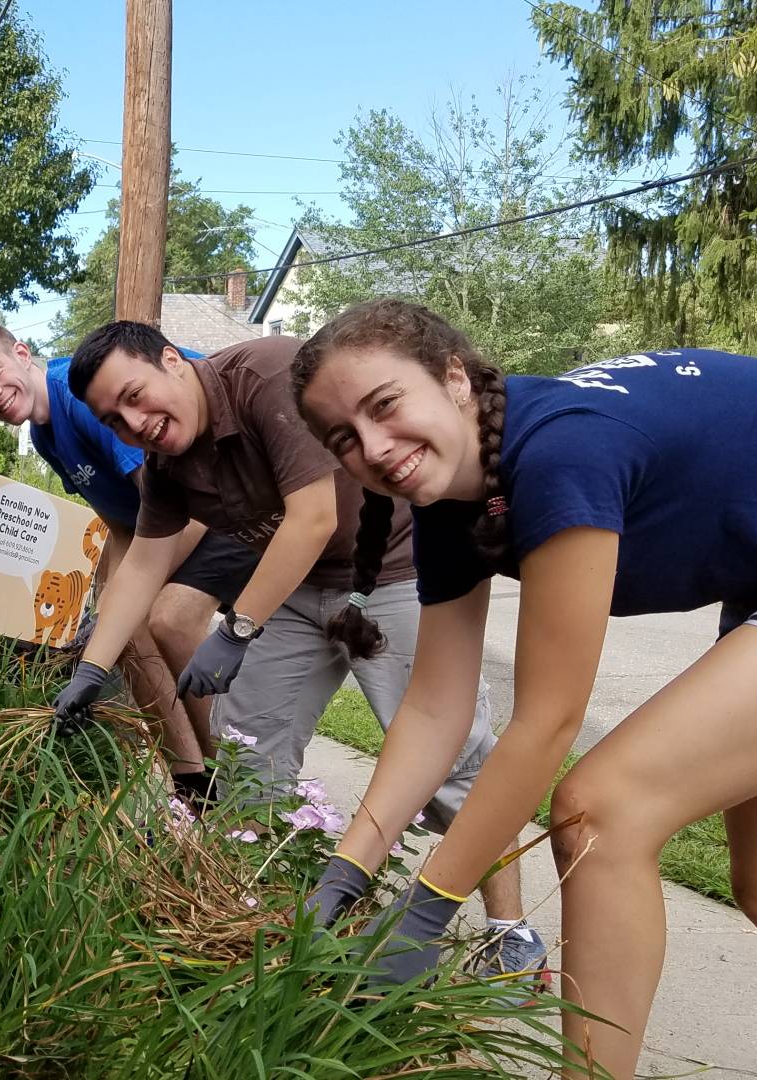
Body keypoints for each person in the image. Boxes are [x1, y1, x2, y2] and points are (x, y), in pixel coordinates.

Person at [290, 298, 757, 1079]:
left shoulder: (561, 453)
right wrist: (348, 871)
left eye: (385, 407)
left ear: (453, 376)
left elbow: (549, 720)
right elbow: (434, 709)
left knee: (604, 813)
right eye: (344, 439)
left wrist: (429, 906)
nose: (375, 447)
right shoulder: (456, 502)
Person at [54, 320, 543, 991]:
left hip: (395, 573)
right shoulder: (168, 464)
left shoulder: (265, 376)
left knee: (452, 760)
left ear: (172, 360)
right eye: (117, 419)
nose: (136, 422)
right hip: (298, 587)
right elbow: (144, 560)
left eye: (137, 396)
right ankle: (275, 929)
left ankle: (508, 929)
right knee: (248, 751)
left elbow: (312, 516)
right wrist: (92, 667)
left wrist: (236, 628)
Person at [0, 322, 262, 809]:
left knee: (167, 617)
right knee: (118, 623)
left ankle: (237, 778)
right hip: (176, 517)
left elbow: (171, 505)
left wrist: (126, 596)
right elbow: (118, 521)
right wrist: (107, 593)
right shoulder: (45, 435)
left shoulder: (82, 397)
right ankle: (191, 780)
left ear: (22, 354)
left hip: (228, 496)